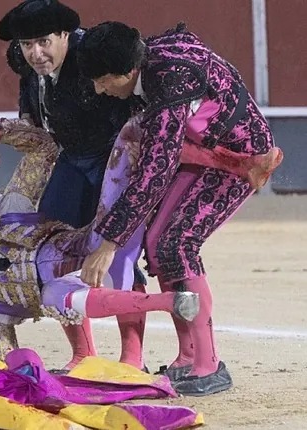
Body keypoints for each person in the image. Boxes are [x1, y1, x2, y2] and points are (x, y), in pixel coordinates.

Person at [0, 115, 265, 368]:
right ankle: (167, 302)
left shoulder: (3, 219)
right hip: (96, 282)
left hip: (104, 242)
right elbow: (7, 361)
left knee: (130, 135)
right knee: (53, 295)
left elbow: (42, 151)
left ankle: (237, 160)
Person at [77, 22, 283, 396]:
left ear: (127, 72)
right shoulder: (148, 61)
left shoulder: (169, 82)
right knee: (159, 246)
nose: (98, 88)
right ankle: (188, 357)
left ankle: (208, 365)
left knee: (177, 244)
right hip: (199, 152)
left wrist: (107, 245)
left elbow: (154, 172)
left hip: (238, 159)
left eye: (103, 80)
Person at [0, 0, 150, 373]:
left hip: (116, 160)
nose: (35, 53)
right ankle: (83, 353)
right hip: (71, 158)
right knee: (49, 253)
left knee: (118, 254)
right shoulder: (28, 64)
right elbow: (34, 122)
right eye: (26, 44)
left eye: (44, 42)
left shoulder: (94, 54)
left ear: (65, 35)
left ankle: (133, 357)